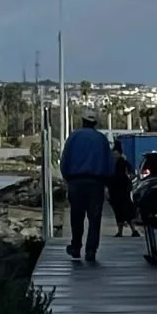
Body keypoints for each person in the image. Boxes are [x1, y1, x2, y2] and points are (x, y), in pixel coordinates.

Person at [59, 109, 115, 264]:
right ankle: (91, 250)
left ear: (82, 121)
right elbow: (109, 164)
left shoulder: (73, 137)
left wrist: (67, 178)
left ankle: (76, 246)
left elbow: (64, 161)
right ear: (95, 123)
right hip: (96, 183)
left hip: (76, 182)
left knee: (76, 216)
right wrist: (108, 183)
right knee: (94, 218)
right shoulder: (101, 139)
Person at [107, 141, 136, 237]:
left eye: (115, 154)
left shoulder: (119, 163)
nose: (114, 156)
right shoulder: (116, 163)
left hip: (120, 188)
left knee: (123, 209)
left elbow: (132, 172)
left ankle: (128, 230)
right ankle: (126, 230)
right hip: (118, 188)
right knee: (122, 209)